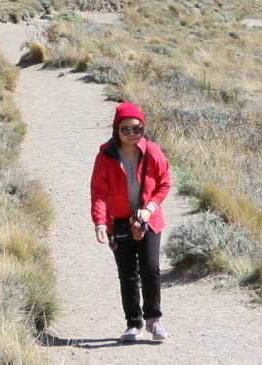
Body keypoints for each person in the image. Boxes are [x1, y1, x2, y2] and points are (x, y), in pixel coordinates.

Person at [90, 100, 172, 343]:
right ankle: (133, 324)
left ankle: (154, 320)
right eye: (125, 129)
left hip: (149, 221)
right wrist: (100, 223)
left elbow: (164, 183)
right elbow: (99, 193)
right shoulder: (105, 156)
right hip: (120, 224)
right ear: (116, 129)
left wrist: (149, 209)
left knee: (150, 269)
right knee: (127, 274)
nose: (131, 134)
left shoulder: (153, 152)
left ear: (143, 128)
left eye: (136, 128)